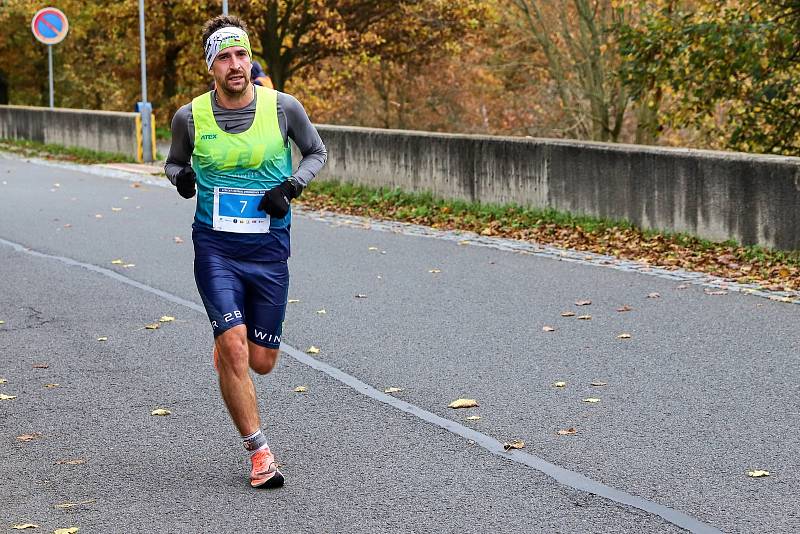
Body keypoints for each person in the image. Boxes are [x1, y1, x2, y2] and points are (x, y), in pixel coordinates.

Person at [164, 14, 327, 488]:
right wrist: (183, 180)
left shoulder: (283, 108)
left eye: (241, 55)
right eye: (224, 57)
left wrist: (292, 186)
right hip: (214, 247)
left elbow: (317, 152)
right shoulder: (189, 117)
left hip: (269, 248)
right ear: (210, 65)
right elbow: (173, 164)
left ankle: (229, 349)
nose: (235, 65)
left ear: (249, 59)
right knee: (235, 348)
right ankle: (259, 454)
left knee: (262, 361)